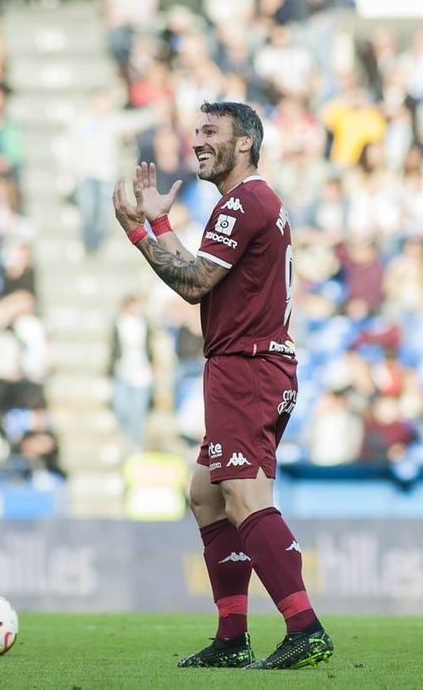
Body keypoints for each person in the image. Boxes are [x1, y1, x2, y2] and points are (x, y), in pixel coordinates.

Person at [112, 101, 332, 670]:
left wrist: (137, 233)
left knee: (243, 495)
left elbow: (192, 285)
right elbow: (204, 278)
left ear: (245, 143)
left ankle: (305, 627)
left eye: (212, 131)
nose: (198, 141)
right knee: (207, 494)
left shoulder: (244, 202)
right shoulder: (251, 203)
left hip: (248, 368)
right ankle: (232, 638)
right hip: (245, 366)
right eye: (197, 131)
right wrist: (161, 226)